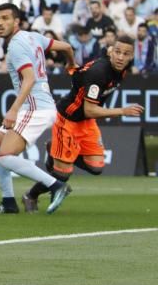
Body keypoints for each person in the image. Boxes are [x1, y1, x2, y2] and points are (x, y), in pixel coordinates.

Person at [25, 36, 144, 208]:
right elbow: (90, 109)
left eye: (125, 54)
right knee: (62, 175)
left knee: (97, 167)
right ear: (113, 52)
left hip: (86, 122)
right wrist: (122, 111)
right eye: (117, 52)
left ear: (132, 56)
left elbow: (108, 50)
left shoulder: (117, 62)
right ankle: (31, 195)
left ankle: (54, 150)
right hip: (67, 118)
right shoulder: (99, 73)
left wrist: (75, 64)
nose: (120, 57)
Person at [0, 3, 76, 215]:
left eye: (5, 18)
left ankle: (56, 185)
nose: (0, 23)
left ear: (17, 21)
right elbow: (66, 47)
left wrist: (13, 110)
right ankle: (8, 202)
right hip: (39, 105)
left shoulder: (16, 45)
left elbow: (29, 79)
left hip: (34, 107)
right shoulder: (33, 36)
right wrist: (71, 64)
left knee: (5, 157)